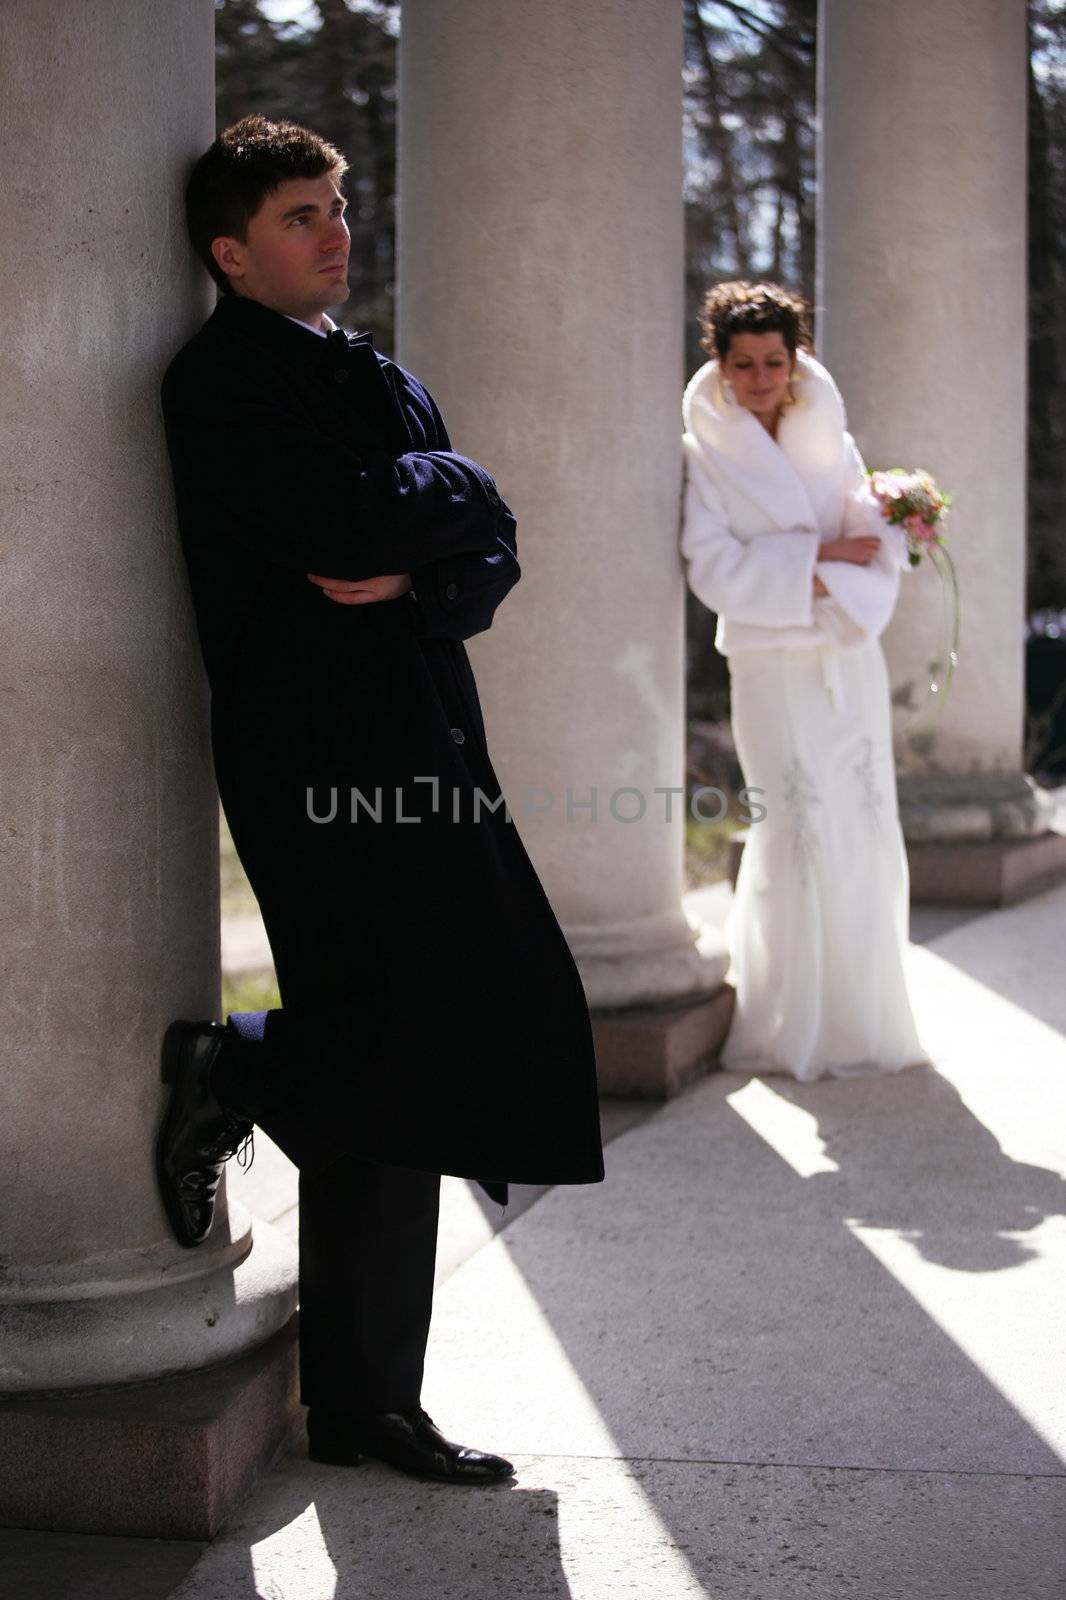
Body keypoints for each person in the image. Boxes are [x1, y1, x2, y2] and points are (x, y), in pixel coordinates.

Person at [155, 115, 604, 1485]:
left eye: (335, 205)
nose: (333, 229)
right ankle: (246, 1061)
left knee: (433, 1036)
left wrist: (442, 527)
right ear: (231, 253)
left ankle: (363, 1405)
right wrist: (439, 515)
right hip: (316, 757)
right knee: (404, 1033)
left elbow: (488, 559)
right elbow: (348, 534)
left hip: (425, 744)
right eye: (300, 215)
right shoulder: (220, 380)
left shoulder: (379, 376)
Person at [681, 280, 927, 1082]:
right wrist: (819, 562)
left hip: (846, 655)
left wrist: (826, 576)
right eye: (743, 363)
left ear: (797, 361)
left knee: (858, 817)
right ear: (719, 365)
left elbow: (877, 548)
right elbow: (713, 568)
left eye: (774, 362)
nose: (760, 379)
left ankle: (863, 1018)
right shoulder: (702, 450)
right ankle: (791, 1021)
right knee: (794, 822)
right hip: (769, 664)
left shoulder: (832, 434)